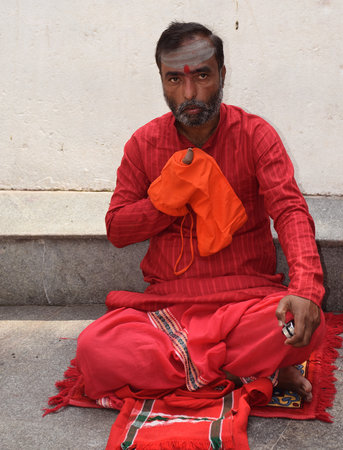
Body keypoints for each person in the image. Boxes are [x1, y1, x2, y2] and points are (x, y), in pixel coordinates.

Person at [76, 21, 326, 405]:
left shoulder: (255, 136)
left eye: (202, 76)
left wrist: (306, 289)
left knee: (306, 322)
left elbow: (290, 210)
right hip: (167, 307)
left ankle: (193, 369)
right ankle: (246, 370)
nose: (189, 93)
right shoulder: (144, 144)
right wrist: (164, 201)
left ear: (222, 75)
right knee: (95, 347)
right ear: (161, 78)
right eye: (174, 79)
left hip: (247, 298)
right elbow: (117, 229)